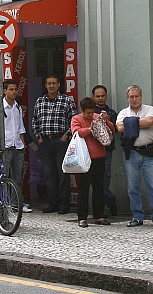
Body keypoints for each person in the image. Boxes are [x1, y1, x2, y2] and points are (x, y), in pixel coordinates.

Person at [116, 85, 153, 227]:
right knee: (133, 186)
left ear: (141, 96)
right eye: (131, 97)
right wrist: (138, 122)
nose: (134, 99)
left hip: (149, 151)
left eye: (137, 96)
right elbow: (120, 128)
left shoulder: (150, 109)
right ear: (127, 98)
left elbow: (150, 121)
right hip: (131, 152)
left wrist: (130, 123)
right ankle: (137, 216)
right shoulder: (123, 112)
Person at [32, 74, 78, 215]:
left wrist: (65, 136)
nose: (51, 86)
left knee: (62, 174)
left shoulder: (66, 101)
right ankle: (53, 204)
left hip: (61, 141)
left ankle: (64, 205)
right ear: (45, 85)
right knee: (49, 174)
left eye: (54, 83)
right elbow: (35, 121)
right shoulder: (39, 101)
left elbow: (74, 120)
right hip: (45, 142)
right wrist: (39, 138)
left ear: (59, 85)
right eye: (49, 83)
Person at [70, 97, 115, 227]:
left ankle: (99, 215)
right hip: (85, 158)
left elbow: (112, 129)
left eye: (92, 112)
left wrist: (106, 120)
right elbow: (76, 132)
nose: (90, 115)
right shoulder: (76, 119)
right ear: (81, 110)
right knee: (83, 188)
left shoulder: (97, 117)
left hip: (99, 156)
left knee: (99, 187)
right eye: (88, 113)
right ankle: (82, 217)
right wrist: (91, 129)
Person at [0, 80, 30, 213]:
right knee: (4, 177)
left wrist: (22, 144)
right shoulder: (1, 107)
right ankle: (3, 203)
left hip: (17, 145)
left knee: (17, 178)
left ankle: (17, 203)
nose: (14, 92)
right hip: (6, 146)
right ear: (5, 91)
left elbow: (20, 128)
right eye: (11, 89)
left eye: (15, 89)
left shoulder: (17, 107)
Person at [92, 85, 118, 216]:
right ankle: (110, 201)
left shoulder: (112, 113)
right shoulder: (90, 112)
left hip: (107, 149)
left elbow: (116, 129)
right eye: (98, 96)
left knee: (105, 178)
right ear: (93, 97)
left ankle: (102, 208)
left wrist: (107, 120)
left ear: (106, 96)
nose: (100, 98)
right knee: (95, 180)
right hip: (92, 150)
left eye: (102, 96)